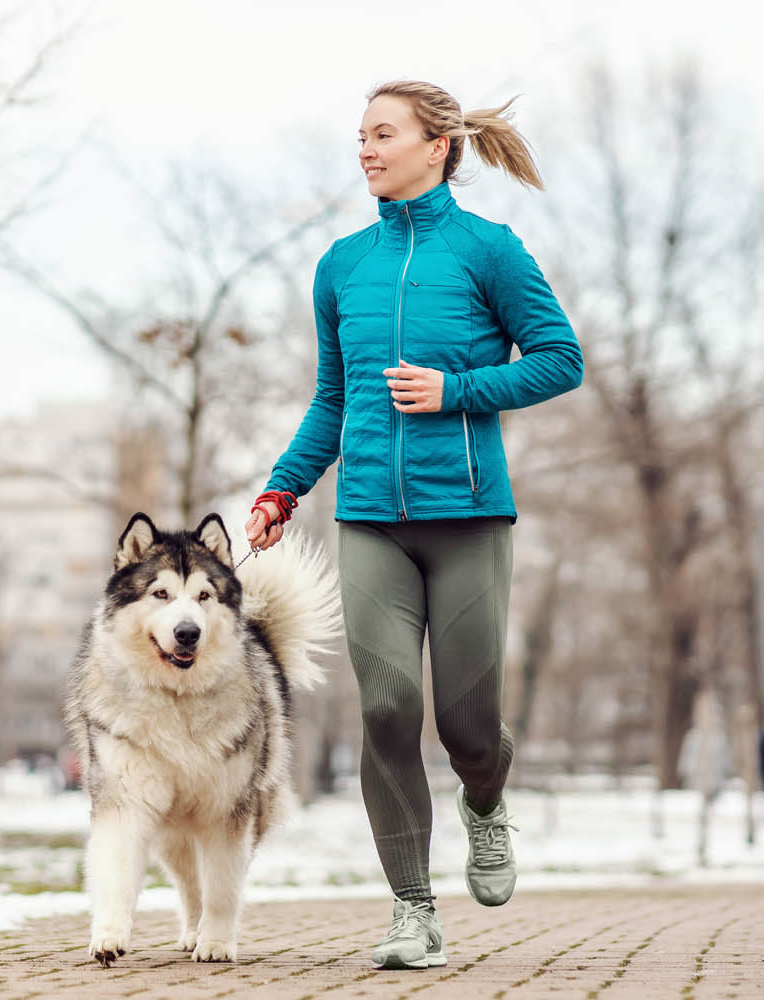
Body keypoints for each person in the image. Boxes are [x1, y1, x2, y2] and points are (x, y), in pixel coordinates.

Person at [243, 80, 583, 971]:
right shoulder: (341, 266)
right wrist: (283, 491)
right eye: (359, 135)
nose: (365, 149)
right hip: (370, 523)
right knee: (389, 706)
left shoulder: (489, 251)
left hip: (468, 516)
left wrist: (457, 391)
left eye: (382, 134)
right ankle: (411, 910)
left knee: (469, 721)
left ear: (437, 147)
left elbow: (560, 359)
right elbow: (332, 401)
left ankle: (484, 799)